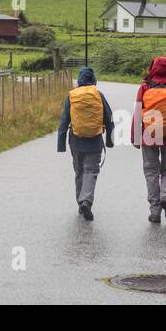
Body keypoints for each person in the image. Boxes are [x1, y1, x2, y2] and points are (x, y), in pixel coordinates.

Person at [130, 56, 166, 223]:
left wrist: (134, 137)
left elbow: (137, 112)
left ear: (153, 69)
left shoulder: (144, 87)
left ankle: (155, 211)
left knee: (151, 172)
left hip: (149, 134)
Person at [56, 66, 114, 219]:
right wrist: (109, 141)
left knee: (79, 171)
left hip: (75, 141)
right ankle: (86, 201)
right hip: (95, 141)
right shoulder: (98, 95)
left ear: (79, 81)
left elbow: (64, 121)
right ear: (94, 80)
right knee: (91, 171)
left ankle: (80, 202)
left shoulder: (72, 96)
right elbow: (109, 118)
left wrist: (60, 143)